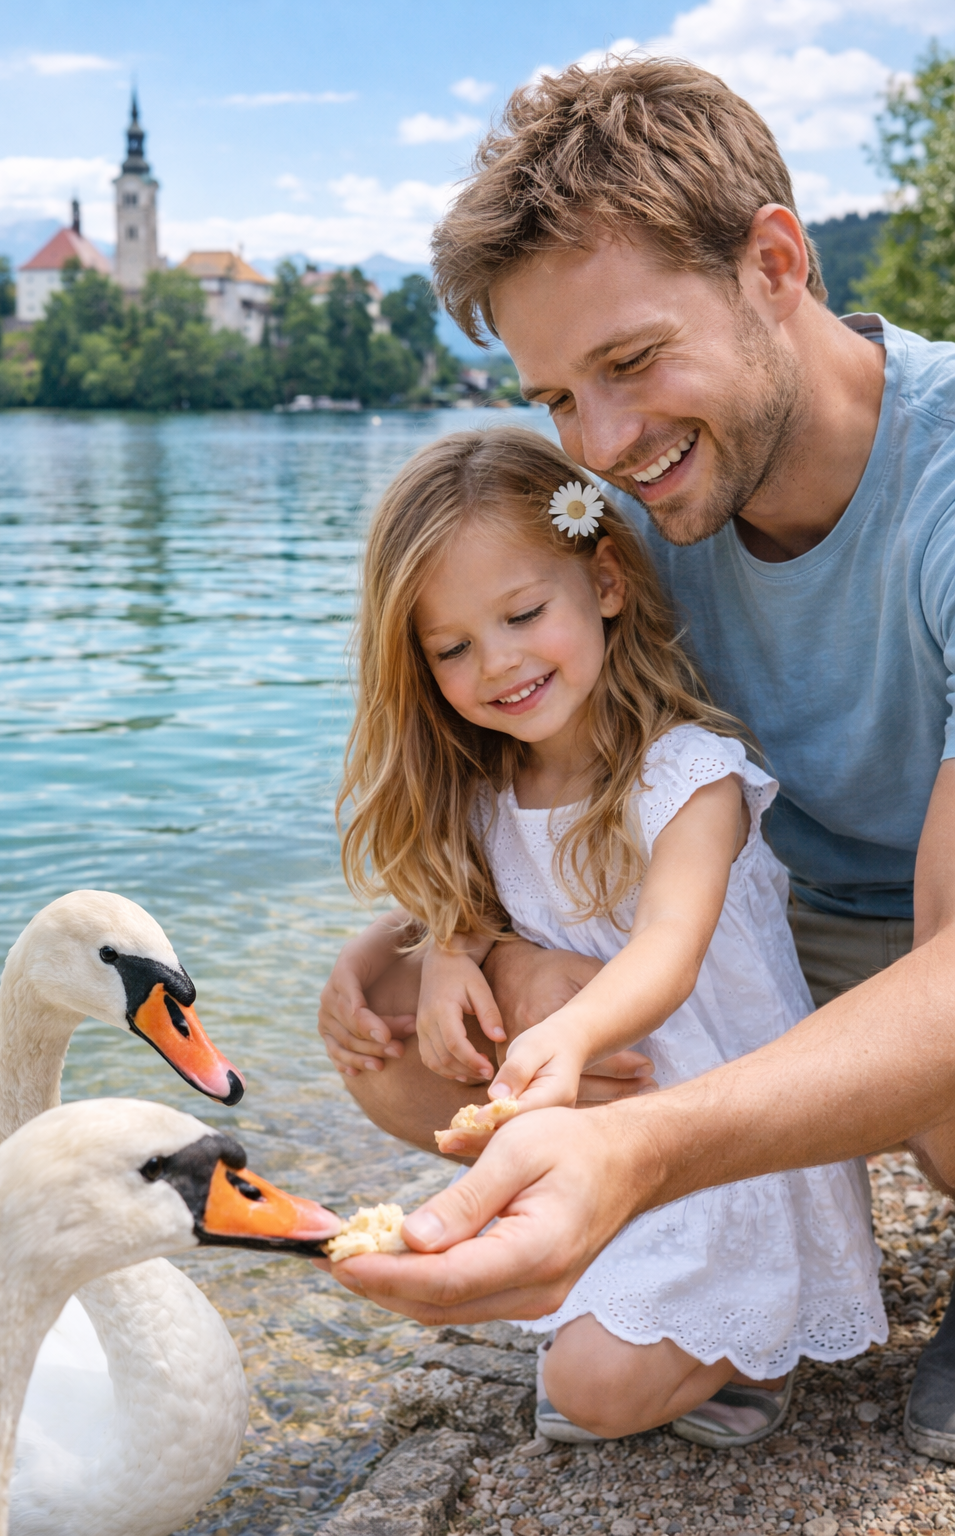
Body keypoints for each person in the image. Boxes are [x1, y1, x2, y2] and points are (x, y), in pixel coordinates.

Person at [317, 57, 955, 1458]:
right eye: (556, 396)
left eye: (630, 361)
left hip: (923, 938)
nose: (602, 445)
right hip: (765, 937)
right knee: (400, 1037)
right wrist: (433, 943)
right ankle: (675, 1280)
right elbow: (562, 793)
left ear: (774, 262)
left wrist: (641, 1138)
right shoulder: (626, 520)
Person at [322, 424, 887, 1445]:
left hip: (715, 1137)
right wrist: (410, 957)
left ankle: (755, 1344)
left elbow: (666, 955)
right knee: (399, 1013)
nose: (497, 664)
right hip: (599, 1119)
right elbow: (454, 898)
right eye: (451, 648)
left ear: (609, 583)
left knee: (586, 1396)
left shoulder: (686, 774)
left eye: (523, 614)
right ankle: (608, 1269)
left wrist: (567, 1039)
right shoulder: (491, 785)